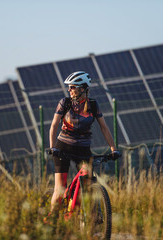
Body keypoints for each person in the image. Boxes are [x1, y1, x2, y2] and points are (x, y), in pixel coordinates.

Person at [47, 71, 121, 217]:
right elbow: (54, 125)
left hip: (83, 150)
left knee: (86, 186)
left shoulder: (93, 105)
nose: (69, 90)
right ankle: (52, 219)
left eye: (73, 87)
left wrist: (114, 149)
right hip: (63, 148)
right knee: (60, 189)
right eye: (69, 87)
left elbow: (104, 128)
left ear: (83, 89)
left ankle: (78, 217)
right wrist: (52, 147)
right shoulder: (65, 103)